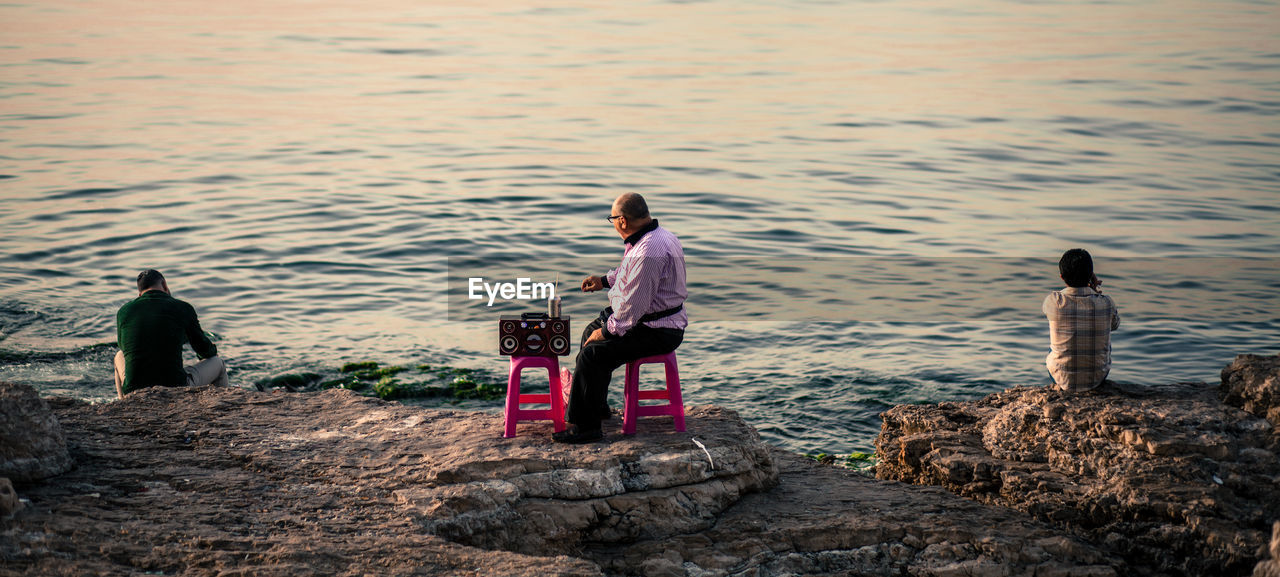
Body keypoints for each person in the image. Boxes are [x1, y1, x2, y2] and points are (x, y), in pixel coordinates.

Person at [553, 193, 688, 443]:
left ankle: (586, 427)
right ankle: (597, 407)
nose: (613, 223)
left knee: (593, 354)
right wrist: (604, 281)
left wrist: (606, 331)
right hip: (651, 320)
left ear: (623, 221)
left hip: (658, 329)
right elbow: (630, 275)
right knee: (588, 334)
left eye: (612, 219)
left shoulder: (647, 251)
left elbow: (632, 308)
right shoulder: (657, 237)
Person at [113, 269, 228, 398]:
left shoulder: (123, 312)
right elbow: (205, 350)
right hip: (175, 387)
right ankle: (221, 406)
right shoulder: (182, 307)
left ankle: (124, 402)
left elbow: (125, 347)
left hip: (135, 389)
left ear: (140, 294)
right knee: (218, 363)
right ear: (165, 285)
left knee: (119, 355)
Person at [1043, 249, 1120, 392]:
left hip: (1062, 379)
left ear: (1062, 277)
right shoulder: (1107, 302)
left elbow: (1048, 314)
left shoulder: (1053, 301)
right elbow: (1114, 325)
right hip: (1097, 378)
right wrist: (1095, 291)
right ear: (1091, 276)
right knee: (1105, 340)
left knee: (1054, 347)